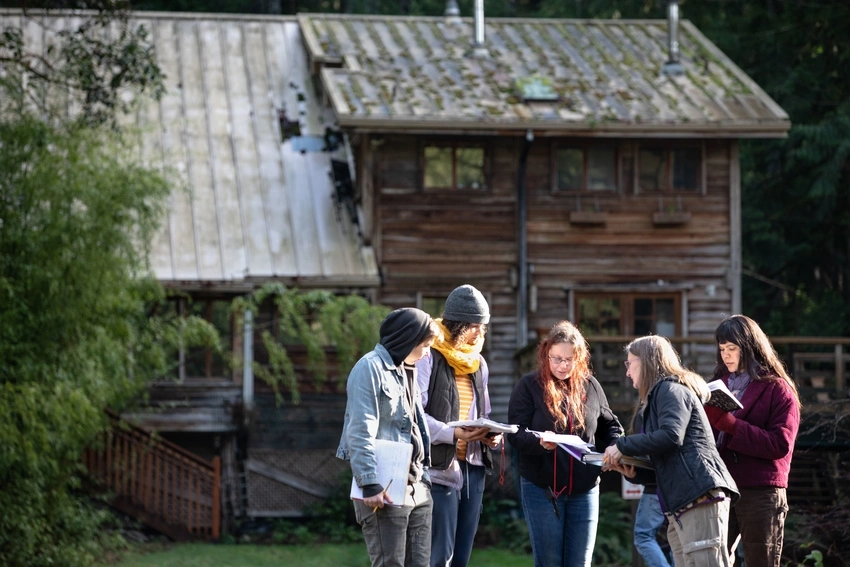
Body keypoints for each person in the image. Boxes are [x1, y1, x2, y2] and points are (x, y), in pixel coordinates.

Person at [603, 335, 739, 567]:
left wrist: (622, 445)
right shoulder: (661, 393)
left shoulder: (670, 389)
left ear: (645, 361)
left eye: (629, 363)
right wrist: (635, 473)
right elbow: (668, 457)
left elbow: (671, 436)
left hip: (699, 494)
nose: (627, 372)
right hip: (681, 502)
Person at [507, 321, 623, 567]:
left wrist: (614, 448)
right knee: (550, 562)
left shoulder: (590, 386)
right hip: (542, 490)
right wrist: (540, 442)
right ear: (546, 354)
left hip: (585, 489)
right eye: (556, 358)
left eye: (569, 359)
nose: (563, 365)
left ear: (579, 358)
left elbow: (611, 425)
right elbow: (515, 433)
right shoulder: (529, 386)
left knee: (580, 562)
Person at [337, 308, 440, 567]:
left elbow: (415, 426)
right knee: (390, 563)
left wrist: (424, 479)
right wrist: (370, 484)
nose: (428, 352)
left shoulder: (407, 369)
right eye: (425, 345)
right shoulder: (369, 368)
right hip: (385, 489)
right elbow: (360, 430)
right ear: (408, 339)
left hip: (417, 488)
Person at [416, 284, 502, 567]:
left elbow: (483, 412)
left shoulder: (478, 363)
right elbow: (415, 416)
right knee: (440, 556)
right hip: (439, 468)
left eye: (483, 326)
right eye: (474, 325)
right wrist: (453, 433)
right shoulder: (428, 356)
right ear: (456, 324)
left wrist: (489, 435)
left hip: (473, 469)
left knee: (462, 557)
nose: (480, 333)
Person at [706, 315, 801, 567]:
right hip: (722, 486)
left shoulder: (778, 389)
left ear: (749, 348)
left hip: (761, 490)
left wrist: (731, 425)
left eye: (732, 348)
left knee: (762, 561)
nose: (725, 355)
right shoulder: (718, 384)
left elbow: (780, 444)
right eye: (722, 348)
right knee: (712, 560)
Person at [630, 405, 674, 567]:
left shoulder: (649, 409)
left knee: (643, 536)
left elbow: (648, 455)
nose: (628, 376)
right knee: (676, 537)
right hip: (673, 486)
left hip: (656, 487)